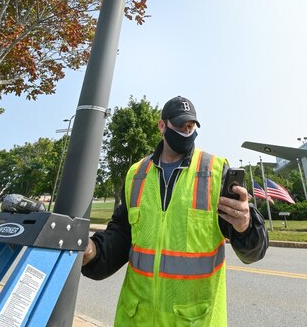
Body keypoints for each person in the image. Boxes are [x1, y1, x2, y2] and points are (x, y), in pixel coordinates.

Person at [82, 96, 268, 326]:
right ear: (162, 126)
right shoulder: (136, 173)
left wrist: (245, 225)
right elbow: (121, 235)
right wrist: (92, 252)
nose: (186, 131)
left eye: (191, 126)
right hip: (136, 318)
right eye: (179, 125)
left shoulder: (215, 171)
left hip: (193, 320)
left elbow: (253, 252)